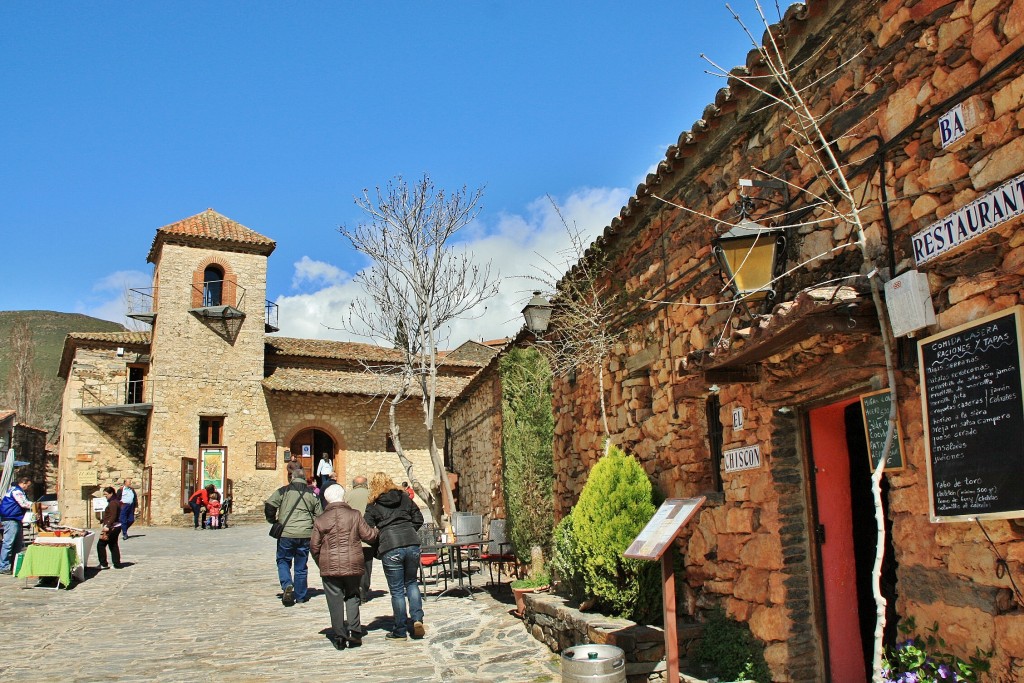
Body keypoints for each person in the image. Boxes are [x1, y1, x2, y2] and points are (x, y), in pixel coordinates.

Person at [311, 484, 379, 650]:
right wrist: (377, 530)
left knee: (334, 600)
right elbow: (368, 536)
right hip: (352, 561)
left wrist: (322, 561)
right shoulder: (354, 515)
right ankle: (355, 632)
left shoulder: (320, 519)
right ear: (343, 496)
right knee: (353, 595)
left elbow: (314, 546)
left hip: (330, 565)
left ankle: (339, 636)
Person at [364, 472, 425, 640]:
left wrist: (379, 542)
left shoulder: (373, 505)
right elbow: (418, 518)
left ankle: (399, 630)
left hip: (390, 546)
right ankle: (417, 619)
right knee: (412, 582)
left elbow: (367, 531)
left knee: (397, 590)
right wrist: (409, 530)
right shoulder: (405, 498)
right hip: (411, 542)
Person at [265, 468, 322, 607]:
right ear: (304, 478)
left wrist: (273, 520)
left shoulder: (283, 491)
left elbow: (270, 505)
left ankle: (287, 585)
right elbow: (320, 515)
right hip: (305, 534)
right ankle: (301, 596)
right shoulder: (313, 493)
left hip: (286, 533)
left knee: (283, 560)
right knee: (301, 566)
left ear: (292, 477)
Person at [343, 475, 374, 603]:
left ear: (354, 484)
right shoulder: (372, 495)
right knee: (366, 566)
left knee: (353, 565)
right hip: (368, 536)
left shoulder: (348, 496)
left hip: (352, 536)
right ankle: (364, 592)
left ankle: (353, 590)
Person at [0, 475, 33, 574]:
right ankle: (3, 566)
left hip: (16, 519)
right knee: (8, 543)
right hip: (11, 519)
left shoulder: (15, 490)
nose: (28, 487)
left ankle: (15, 564)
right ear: (23, 483)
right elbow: (24, 503)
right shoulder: (16, 491)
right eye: (28, 485)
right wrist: (36, 505)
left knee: (17, 544)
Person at [96, 486, 123, 569]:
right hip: (116, 526)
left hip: (112, 527)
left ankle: (103, 564)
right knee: (113, 544)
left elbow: (113, 515)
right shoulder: (115, 501)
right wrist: (103, 519)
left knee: (101, 544)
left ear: (111, 493)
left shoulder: (113, 503)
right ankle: (117, 564)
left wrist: (107, 525)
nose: (105, 496)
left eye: (106, 494)